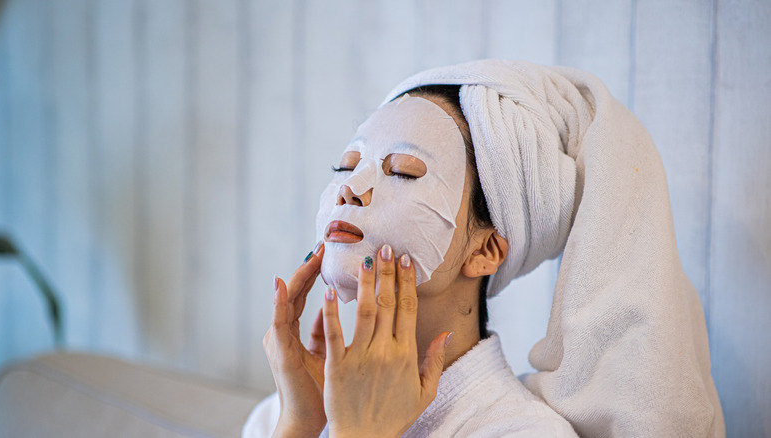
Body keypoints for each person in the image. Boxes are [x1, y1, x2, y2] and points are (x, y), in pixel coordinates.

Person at [243, 60, 724, 437]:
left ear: (487, 249)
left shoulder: (523, 434)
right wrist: (300, 427)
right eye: (346, 166)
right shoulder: (286, 414)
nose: (352, 189)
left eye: (405, 172)